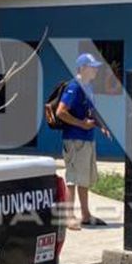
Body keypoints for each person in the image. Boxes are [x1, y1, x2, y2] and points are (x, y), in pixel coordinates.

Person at [55, 53, 112, 229]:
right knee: (73, 178)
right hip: (74, 140)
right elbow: (60, 112)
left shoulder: (88, 87)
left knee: (84, 178)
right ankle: (68, 216)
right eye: (92, 67)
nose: (96, 70)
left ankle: (85, 214)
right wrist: (81, 124)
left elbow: (91, 110)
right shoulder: (75, 86)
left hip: (86, 139)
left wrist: (101, 125)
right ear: (82, 68)